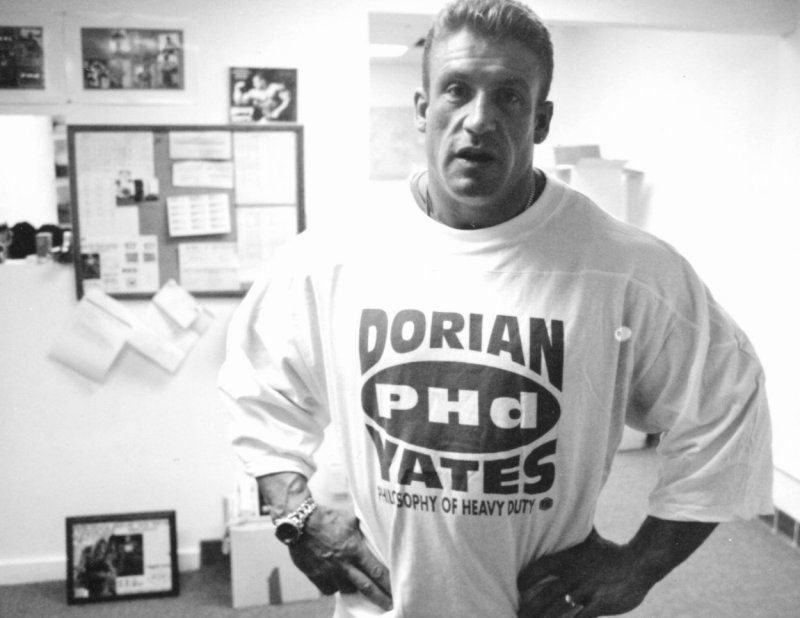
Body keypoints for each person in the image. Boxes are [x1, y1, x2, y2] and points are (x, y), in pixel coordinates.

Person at [218, 1, 773, 616]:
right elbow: (258, 386)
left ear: (540, 120)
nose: (478, 119)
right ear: (423, 109)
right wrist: (297, 517)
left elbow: (728, 405)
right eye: (457, 90)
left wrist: (640, 565)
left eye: (508, 96)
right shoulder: (336, 255)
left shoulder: (623, 267)